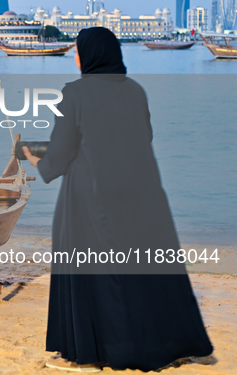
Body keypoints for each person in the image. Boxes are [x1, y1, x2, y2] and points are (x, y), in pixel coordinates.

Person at [22, 27, 213, 372]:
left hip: (91, 196)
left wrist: (37, 160)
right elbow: (143, 136)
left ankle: (95, 351)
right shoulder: (135, 90)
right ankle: (172, 340)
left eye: (79, 52)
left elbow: (62, 154)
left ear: (90, 55)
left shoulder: (75, 93)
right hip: (142, 191)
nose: (77, 57)